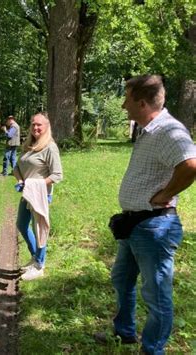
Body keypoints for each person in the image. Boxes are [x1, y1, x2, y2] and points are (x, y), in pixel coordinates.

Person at [97, 75, 196, 354]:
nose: (123, 105)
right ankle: (124, 333)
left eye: (127, 99)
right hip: (135, 224)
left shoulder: (167, 130)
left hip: (154, 227)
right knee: (122, 279)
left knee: (156, 295)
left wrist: (165, 195)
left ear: (141, 102)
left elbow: (190, 164)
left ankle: (152, 350)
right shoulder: (148, 129)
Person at [13, 112, 63, 281]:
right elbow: (17, 167)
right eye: (33, 124)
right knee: (21, 224)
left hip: (40, 195)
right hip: (28, 193)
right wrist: (21, 180)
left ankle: (39, 266)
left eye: (39, 125)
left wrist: (37, 184)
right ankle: (35, 258)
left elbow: (57, 175)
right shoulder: (28, 145)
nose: (35, 127)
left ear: (46, 127)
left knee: (39, 229)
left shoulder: (50, 147)